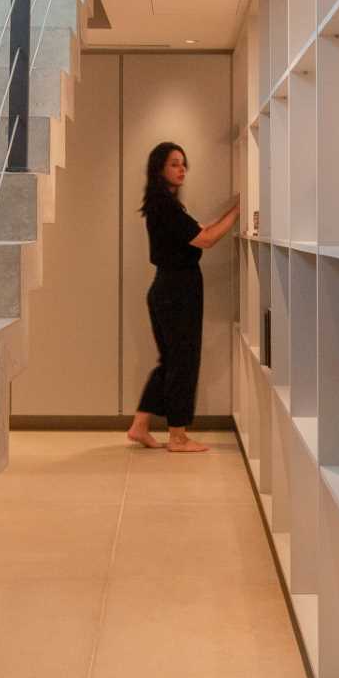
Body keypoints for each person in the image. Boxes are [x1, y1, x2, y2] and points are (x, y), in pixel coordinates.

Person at [127, 143, 239, 453]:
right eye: (175, 164)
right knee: (183, 362)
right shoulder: (165, 205)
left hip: (169, 288)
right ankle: (178, 436)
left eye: (183, 164)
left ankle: (139, 425)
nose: (182, 169)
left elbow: (200, 229)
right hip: (176, 290)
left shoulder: (166, 205)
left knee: (172, 360)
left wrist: (226, 216)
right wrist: (238, 211)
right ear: (159, 168)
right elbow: (207, 238)